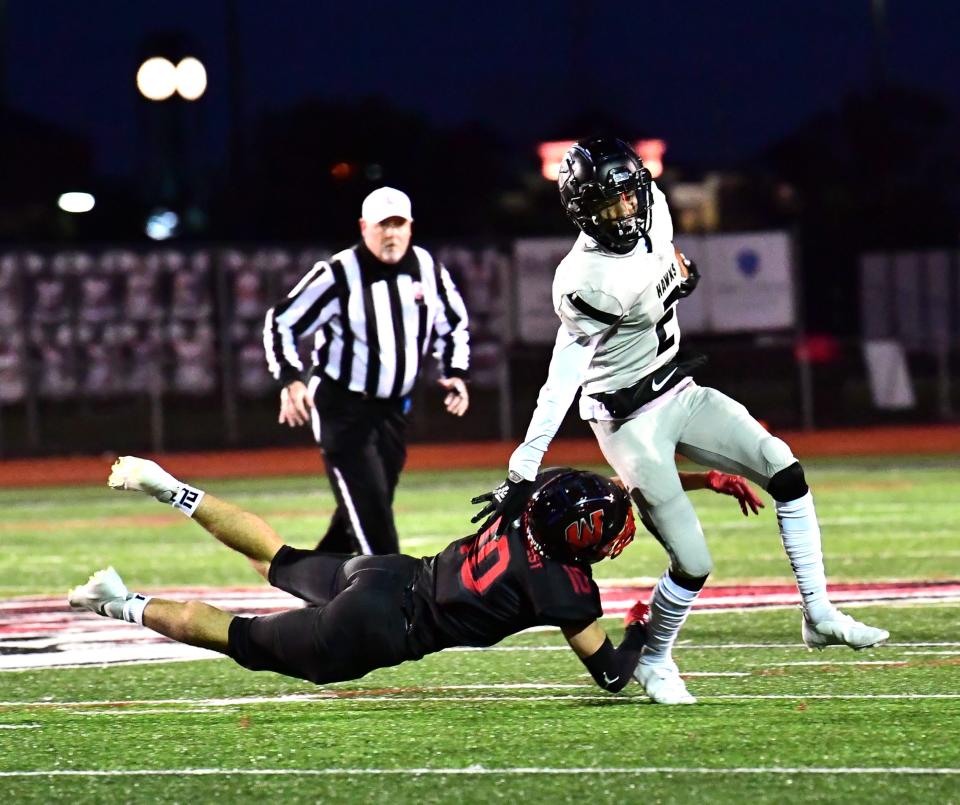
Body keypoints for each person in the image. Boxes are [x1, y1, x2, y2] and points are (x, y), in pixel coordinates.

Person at [472, 137, 888, 706]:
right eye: (606, 205)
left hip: (676, 386)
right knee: (693, 561)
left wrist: (680, 276)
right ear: (580, 211)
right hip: (626, 420)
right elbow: (561, 376)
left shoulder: (657, 208)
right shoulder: (582, 279)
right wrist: (525, 464)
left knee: (784, 467)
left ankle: (817, 612)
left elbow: (666, 263)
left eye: (626, 197)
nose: (622, 212)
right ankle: (654, 658)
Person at [68, 457, 761, 690]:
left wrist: (701, 480)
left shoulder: (539, 495)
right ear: (581, 537)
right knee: (243, 639)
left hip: (389, 572)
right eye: (611, 527)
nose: (621, 525)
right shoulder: (566, 589)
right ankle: (120, 602)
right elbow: (611, 674)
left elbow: (616, 488)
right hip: (379, 627)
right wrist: (642, 630)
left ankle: (170, 487)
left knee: (275, 558)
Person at [263, 187, 471, 555]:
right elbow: (281, 321)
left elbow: (453, 324)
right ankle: (392, 601)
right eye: (382, 225)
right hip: (342, 408)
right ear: (364, 227)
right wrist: (290, 379)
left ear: (410, 226)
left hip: (392, 410)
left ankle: (314, 587)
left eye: (397, 224)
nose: (390, 233)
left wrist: (455, 370)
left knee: (361, 510)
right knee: (373, 519)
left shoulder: (428, 269)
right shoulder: (337, 274)